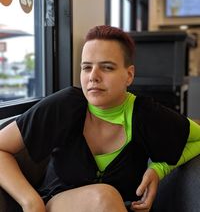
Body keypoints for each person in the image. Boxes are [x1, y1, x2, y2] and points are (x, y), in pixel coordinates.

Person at [0, 25, 200, 212]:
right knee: (104, 196)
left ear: (129, 75)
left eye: (107, 67)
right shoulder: (64, 105)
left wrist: (159, 169)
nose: (93, 77)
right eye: (86, 67)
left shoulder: (145, 113)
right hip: (57, 205)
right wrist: (31, 201)